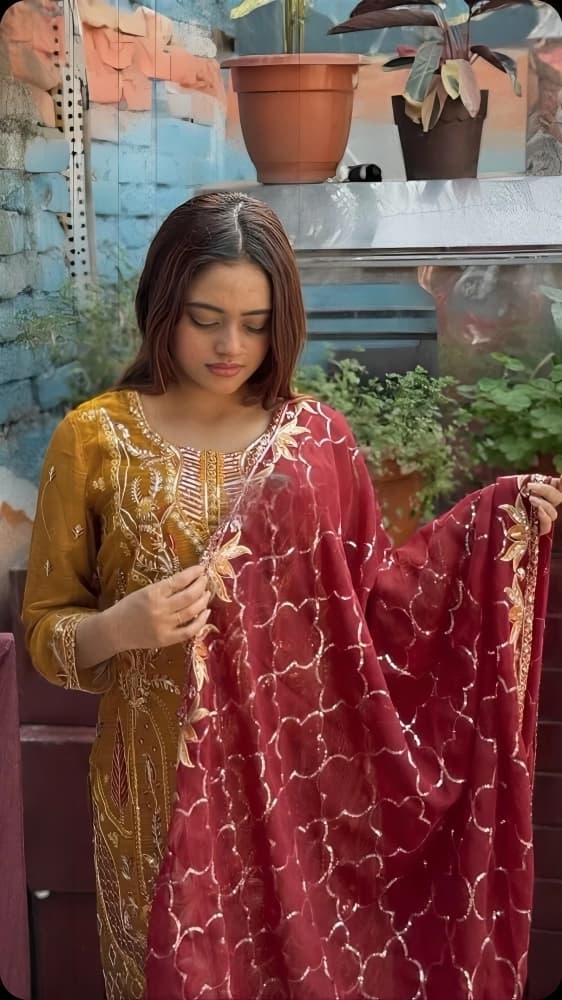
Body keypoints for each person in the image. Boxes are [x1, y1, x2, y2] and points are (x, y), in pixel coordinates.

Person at [21, 191, 562, 1000]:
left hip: (294, 800)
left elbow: (377, 606)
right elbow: (44, 631)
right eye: (205, 318)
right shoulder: (94, 440)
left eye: (256, 323)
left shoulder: (317, 442)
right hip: (152, 804)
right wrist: (118, 628)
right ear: (162, 305)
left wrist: (494, 523)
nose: (231, 346)